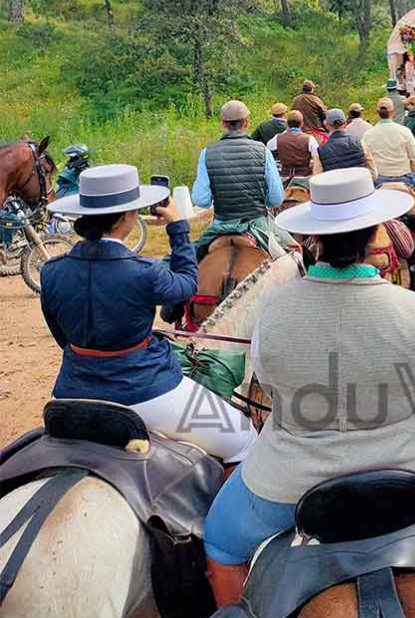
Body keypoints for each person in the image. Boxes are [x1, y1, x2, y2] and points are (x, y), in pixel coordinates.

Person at [203, 169, 415, 605]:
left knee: (222, 543)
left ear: (313, 239)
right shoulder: (409, 307)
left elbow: (268, 384)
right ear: (374, 235)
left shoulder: (274, 308)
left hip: (288, 479)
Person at [42, 165, 255, 462]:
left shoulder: (51, 271)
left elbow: (61, 337)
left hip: (69, 394)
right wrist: (178, 228)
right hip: (146, 391)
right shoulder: (145, 271)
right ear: (128, 216)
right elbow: (186, 285)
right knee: (245, 440)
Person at [192, 100, 284, 224]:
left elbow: (201, 200)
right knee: (289, 243)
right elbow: (276, 199)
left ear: (223, 123)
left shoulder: (206, 153)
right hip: (256, 223)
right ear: (247, 122)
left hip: (222, 223)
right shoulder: (263, 151)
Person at [366, 97, 415, 189]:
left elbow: (366, 158)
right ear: (393, 112)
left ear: (377, 113)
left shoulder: (368, 134)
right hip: (404, 177)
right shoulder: (404, 131)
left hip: (379, 178)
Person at [312, 109, 377, 178]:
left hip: (335, 187)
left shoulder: (320, 151)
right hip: (359, 186)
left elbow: (317, 178)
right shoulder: (360, 142)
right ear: (345, 123)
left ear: (327, 126)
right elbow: (373, 174)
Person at [269, 110, 318, 180]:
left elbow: (268, 147)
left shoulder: (278, 138)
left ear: (287, 124)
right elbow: (317, 155)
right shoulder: (309, 139)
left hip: (284, 177)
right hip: (304, 177)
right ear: (302, 124)